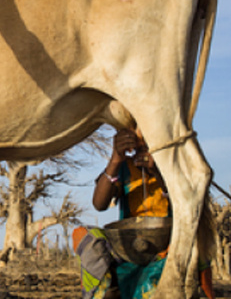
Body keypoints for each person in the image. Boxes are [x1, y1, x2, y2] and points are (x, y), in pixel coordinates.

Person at [73, 128, 214, 299]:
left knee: (195, 241)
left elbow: (188, 202)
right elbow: (99, 204)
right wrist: (116, 159)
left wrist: (157, 172)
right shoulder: (124, 168)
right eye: (136, 138)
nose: (141, 143)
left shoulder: (176, 165)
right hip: (127, 245)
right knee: (85, 236)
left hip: (169, 242)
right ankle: (106, 292)